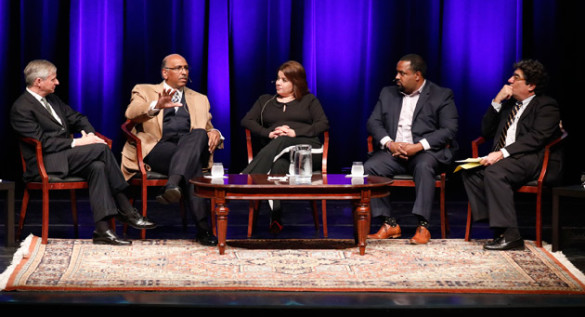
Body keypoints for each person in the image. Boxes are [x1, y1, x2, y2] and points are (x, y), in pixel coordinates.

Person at [11, 59, 156, 245]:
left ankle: (103, 230)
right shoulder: (21, 108)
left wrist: (90, 135)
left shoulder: (53, 100)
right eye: (53, 79)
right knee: (101, 148)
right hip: (44, 162)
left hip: (66, 158)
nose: (57, 82)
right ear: (38, 81)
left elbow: (78, 118)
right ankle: (126, 209)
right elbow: (42, 142)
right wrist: (79, 142)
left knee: (97, 166)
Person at [121, 53, 222, 246]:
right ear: (165, 73)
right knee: (193, 170)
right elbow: (131, 113)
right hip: (157, 149)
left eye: (186, 68)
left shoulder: (200, 99)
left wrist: (216, 132)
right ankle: (203, 230)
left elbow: (207, 128)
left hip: (188, 148)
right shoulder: (144, 90)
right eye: (178, 68)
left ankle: (172, 185)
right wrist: (156, 105)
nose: (184, 72)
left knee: (200, 134)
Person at [462, 59, 562, 251]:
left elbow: (536, 138)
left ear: (531, 85)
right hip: (509, 160)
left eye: (516, 78)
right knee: (470, 171)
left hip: (533, 159)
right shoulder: (509, 106)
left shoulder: (546, 105)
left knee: (494, 172)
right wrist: (497, 102)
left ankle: (511, 235)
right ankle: (499, 227)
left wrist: (501, 153)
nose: (509, 80)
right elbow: (485, 132)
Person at [365, 54, 459, 245]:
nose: (397, 77)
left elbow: (449, 129)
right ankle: (389, 223)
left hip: (424, 153)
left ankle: (423, 226)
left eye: (402, 73)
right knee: (370, 168)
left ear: (417, 75)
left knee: (424, 167)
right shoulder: (387, 93)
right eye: (397, 73)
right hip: (394, 152)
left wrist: (418, 146)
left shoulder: (441, 95)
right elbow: (373, 122)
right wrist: (390, 143)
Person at [241, 60, 329, 233]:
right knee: (278, 164)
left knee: (282, 141)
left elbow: (323, 124)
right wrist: (269, 133)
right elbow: (247, 120)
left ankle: (247, 177)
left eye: (284, 80)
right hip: (278, 153)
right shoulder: (265, 101)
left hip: (308, 151)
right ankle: (276, 216)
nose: (278, 83)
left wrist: (295, 132)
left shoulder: (309, 100)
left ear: (296, 82)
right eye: (278, 79)